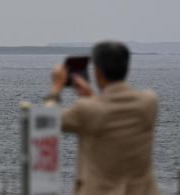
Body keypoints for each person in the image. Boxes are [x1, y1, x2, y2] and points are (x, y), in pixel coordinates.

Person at [45, 41, 159, 195]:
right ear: (126, 67)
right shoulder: (149, 102)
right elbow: (111, 111)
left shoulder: (86, 109)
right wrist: (91, 97)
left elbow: (49, 119)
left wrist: (56, 87)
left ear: (97, 72)